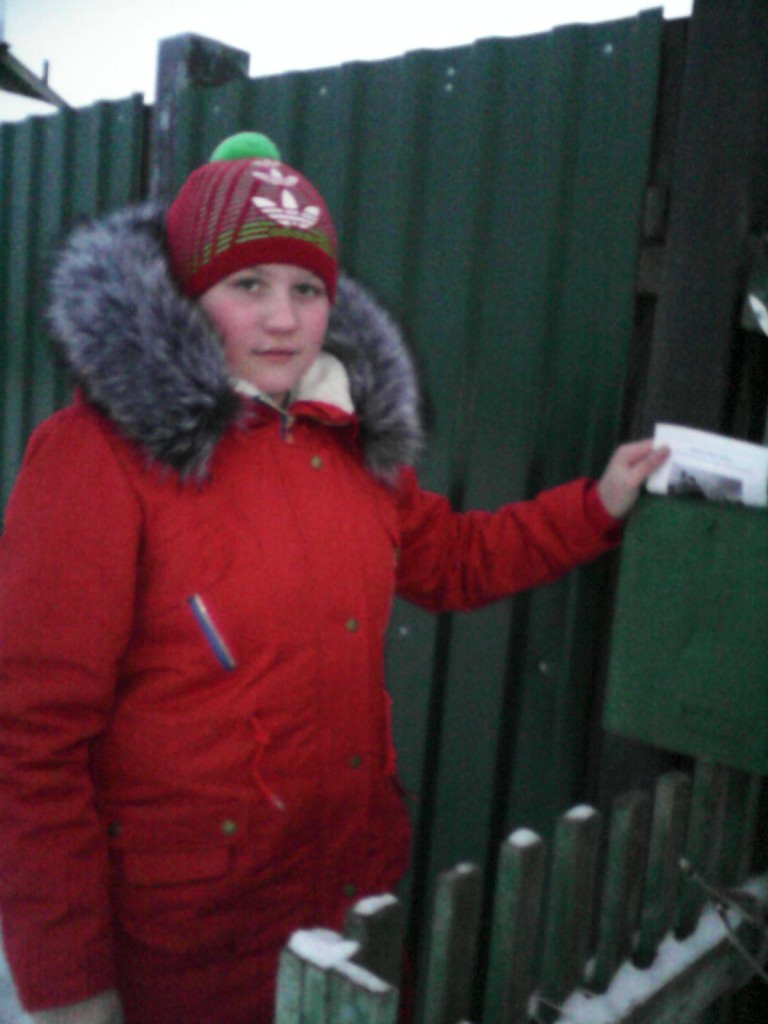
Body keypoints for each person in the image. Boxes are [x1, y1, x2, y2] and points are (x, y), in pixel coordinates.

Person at [0, 132, 667, 1024]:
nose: (284, 319)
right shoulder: (99, 457)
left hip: (348, 915)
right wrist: (72, 990)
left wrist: (598, 506)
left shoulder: (347, 443)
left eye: (306, 289)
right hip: (191, 953)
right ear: (185, 295)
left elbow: (454, 558)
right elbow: (30, 740)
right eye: (248, 285)